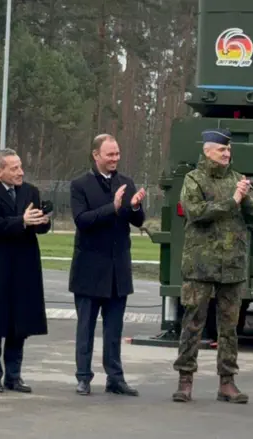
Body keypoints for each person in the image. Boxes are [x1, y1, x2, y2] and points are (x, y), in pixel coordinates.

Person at [171, 128, 253, 404]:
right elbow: (196, 212)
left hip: (232, 264)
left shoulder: (238, 180)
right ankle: (185, 380)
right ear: (207, 151)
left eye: (229, 149)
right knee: (193, 323)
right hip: (200, 263)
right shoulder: (194, 179)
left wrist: (246, 197)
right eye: (222, 149)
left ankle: (227, 382)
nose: (227, 154)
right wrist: (232, 201)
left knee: (229, 328)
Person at [68, 133, 146, 397]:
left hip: (117, 271)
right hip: (89, 270)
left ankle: (115, 378)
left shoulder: (126, 183)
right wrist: (112, 207)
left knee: (114, 330)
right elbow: (82, 220)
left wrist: (134, 207)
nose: (115, 158)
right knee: (86, 329)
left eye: (117, 153)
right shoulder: (80, 185)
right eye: (110, 154)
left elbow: (138, 221)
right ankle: (83, 377)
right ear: (96, 155)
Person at [0, 148, 51, 393]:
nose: (20, 172)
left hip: (25, 264)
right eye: (14, 168)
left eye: (21, 166)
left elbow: (37, 227)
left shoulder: (30, 191)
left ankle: (14, 376)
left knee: (20, 322)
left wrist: (43, 222)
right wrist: (21, 221)